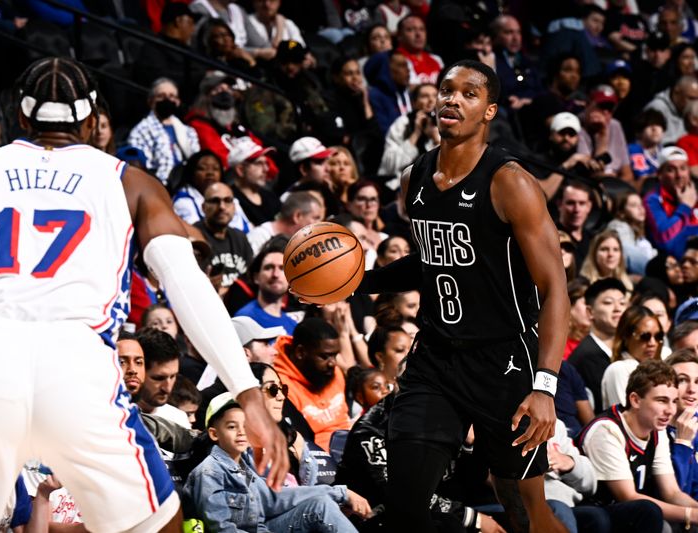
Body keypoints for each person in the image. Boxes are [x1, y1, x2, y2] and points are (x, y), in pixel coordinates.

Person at [0, 57, 287, 531]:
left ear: (19, 117)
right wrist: (247, 394)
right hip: (78, 368)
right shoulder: (130, 182)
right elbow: (185, 283)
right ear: (90, 120)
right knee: (158, 524)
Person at [347, 59, 570, 532]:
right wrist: (362, 280)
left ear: (489, 111)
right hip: (436, 359)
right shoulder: (415, 180)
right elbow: (432, 262)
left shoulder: (511, 183)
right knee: (406, 499)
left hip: (505, 361)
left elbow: (555, 290)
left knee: (521, 502)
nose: (453, 99)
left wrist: (545, 386)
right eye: (447, 90)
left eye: (469, 94)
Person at [184, 393, 367, 533]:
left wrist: (339, 493)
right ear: (214, 434)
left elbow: (274, 499)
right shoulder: (209, 472)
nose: (241, 432)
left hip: (265, 528)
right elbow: (222, 528)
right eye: (232, 426)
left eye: (246, 425)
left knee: (321, 504)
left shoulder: (244, 465)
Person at [578, 360, 698, 527]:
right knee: (652, 513)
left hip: (630, 514)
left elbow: (671, 492)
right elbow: (628, 497)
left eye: (673, 401)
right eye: (662, 400)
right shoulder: (606, 429)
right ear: (635, 400)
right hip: (594, 513)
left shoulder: (657, 429)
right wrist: (690, 515)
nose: (670, 410)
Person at [273, 317, 352, 452]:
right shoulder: (280, 384)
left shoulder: (333, 372)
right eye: (324, 356)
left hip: (350, 446)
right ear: (300, 352)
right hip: (315, 457)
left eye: (335, 356)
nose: (332, 363)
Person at [569, 278, 629, 410]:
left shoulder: (629, 348)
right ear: (590, 312)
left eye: (622, 303)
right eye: (608, 303)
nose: (618, 308)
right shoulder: (585, 356)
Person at [127, 78, 200, 186]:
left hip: (187, 185)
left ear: (178, 102)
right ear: (151, 101)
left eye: (171, 96)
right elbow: (142, 167)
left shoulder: (188, 131)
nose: (167, 100)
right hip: (158, 185)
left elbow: (196, 160)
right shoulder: (140, 132)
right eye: (161, 96)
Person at [601, 305, 665, 409]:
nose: (653, 343)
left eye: (658, 336)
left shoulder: (659, 369)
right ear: (626, 337)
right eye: (645, 336)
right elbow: (626, 416)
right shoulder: (619, 370)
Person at [194, 182, 254, 294]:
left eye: (227, 200)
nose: (222, 206)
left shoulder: (240, 237)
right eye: (215, 201)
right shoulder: (194, 236)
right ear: (203, 207)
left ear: (234, 207)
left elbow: (252, 278)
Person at [645, 146, 698, 259]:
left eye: (683, 168)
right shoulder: (652, 200)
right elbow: (665, 240)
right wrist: (685, 207)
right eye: (671, 170)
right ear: (660, 175)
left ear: (689, 172)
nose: (679, 175)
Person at [665, 349, 698, 499]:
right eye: (683, 380)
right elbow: (673, 495)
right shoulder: (655, 430)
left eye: (697, 381)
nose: (692, 389)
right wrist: (683, 443)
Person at [607, 191, 658, 275]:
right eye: (634, 205)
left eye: (641, 204)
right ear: (622, 212)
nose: (640, 208)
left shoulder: (638, 232)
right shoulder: (619, 226)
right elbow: (629, 255)